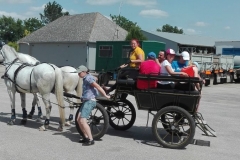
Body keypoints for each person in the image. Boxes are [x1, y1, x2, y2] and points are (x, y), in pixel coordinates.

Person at [76, 65, 110, 146]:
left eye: (79, 73)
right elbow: (95, 78)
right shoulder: (87, 77)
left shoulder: (88, 78)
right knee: (78, 119)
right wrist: (95, 77)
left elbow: (97, 86)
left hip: (89, 101)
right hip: (85, 100)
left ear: (84, 72)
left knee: (82, 121)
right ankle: (85, 137)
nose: (78, 74)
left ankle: (91, 139)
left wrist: (105, 95)